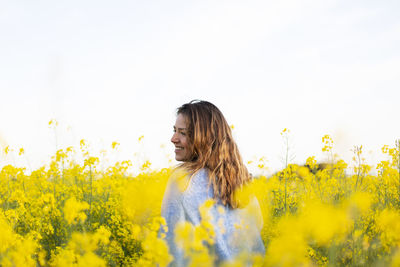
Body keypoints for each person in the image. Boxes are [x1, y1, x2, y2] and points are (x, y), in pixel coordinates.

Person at [160, 100, 265, 266]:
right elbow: (255, 236)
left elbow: (169, 250)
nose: (173, 139)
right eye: (175, 131)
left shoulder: (182, 180)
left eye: (183, 133)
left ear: (204, 138)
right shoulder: (242, 181)